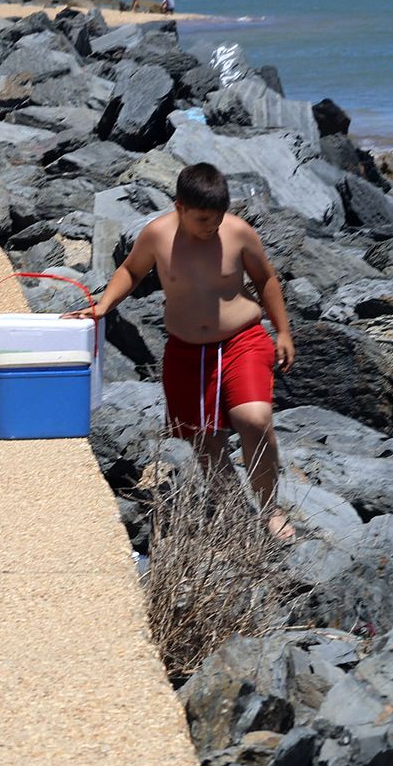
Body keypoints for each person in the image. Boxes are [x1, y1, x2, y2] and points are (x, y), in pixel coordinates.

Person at [69, 163, 297, 538]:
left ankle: (271, 508)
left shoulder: (237, 233)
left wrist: (284, 331)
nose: (212, 226)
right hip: (187, 350)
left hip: (242, 339)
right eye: (203, 218)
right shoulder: (157, 235)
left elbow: (265, 278)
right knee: (203, 439)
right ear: (179, 207)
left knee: (254, 419)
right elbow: (131, 270)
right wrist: (104, 304)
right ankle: (236, 512)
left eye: (218, 217)